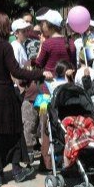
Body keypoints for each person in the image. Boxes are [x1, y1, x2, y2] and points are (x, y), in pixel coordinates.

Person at [0, 12, 49, 187]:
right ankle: (16, 169)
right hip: (3, 95)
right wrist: (39, 73)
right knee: (13, 132)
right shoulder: (5, 46)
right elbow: (17, 71)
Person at [35, 9, 76, 170]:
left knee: (45, 124)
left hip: (47, 90)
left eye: (42, 23)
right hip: (65, 90)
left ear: (49, 25)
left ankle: (46, 161)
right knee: (63, 123)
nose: (41, 26)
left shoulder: (47, 44)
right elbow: (74, 65)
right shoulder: (70, 43)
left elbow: (38, 64)